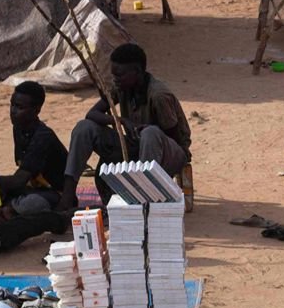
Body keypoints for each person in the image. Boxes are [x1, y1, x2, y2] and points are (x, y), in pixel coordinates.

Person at [60, 43, 191, 209]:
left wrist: (146, 130)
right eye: (113, 74)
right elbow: (92, 114)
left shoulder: (158, 95)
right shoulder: (121, 87)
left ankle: (145, 198)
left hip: (166, 153)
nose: (115, 79)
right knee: (84, 127)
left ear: (137, 72)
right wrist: (122, 121)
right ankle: (68, 194)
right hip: (135, 148)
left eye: (120, 75)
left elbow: (174, 136)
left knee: (150, 133)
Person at [0, 82, 71, 251]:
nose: (13, 111)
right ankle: (9, 210)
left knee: (32, 204)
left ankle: (10, 211)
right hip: (31, 187)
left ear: (36, 110)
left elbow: (18, 181)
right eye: (12, 105)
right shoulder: (19, 129)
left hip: (53, 193)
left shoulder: (42, 137)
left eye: (19, 107)